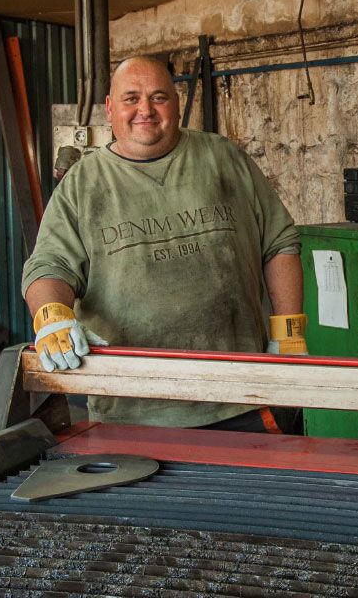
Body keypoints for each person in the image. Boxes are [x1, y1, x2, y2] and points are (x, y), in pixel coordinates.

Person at [22, 56, 307, 433]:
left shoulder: (223, 158)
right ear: (109, 108)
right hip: (131, 409)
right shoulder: (82, 185)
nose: (145, 110)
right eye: (131, 99)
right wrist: (51, 316)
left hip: (241, 397)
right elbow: (48, 268)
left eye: (159, 97)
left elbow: (279, 242)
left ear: (175, 102)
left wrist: (288, 335)